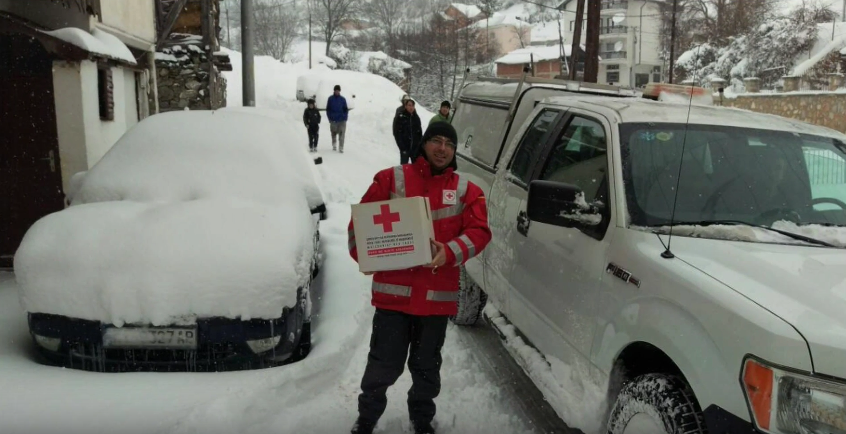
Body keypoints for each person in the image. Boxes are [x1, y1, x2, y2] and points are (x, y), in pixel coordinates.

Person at [347, 122, 492, 434]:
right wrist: (364, 256)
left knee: (427, 368)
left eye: (449, 144)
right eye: (436, 141)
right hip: (393, 297)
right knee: (383, 364)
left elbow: (480, 232)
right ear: (424, 144)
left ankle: (422, 420)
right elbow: (360, 226)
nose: (442, 149)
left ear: (455, 152)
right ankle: (367, 419)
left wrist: (450, 251)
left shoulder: (467, 191)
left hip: (435, 299)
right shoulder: (391, 179)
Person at [393, 99, 422, 165]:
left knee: (416, 167)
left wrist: (418, 145)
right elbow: (397, 133)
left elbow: (419, 133)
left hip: (414, 149)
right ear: (405, 106)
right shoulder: (400, 117)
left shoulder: (416, 118)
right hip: (405, 148)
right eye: (409, 105)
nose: (411, 107)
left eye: (412, 106)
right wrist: (402, 147)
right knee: (404, 167)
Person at [326, 84, 349, 153]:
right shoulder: (330, 99)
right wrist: (330, 118)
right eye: (336, 90)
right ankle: (334, 144)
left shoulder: (343, 99)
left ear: (339, 91)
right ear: (334, 91)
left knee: (342, 134)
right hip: (333, 120)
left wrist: (345, 117)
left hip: (342, 120)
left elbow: (346, 109)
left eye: (338, 90)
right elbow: (328, 109)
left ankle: (341, 147)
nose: (337, 92)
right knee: (333, 133)